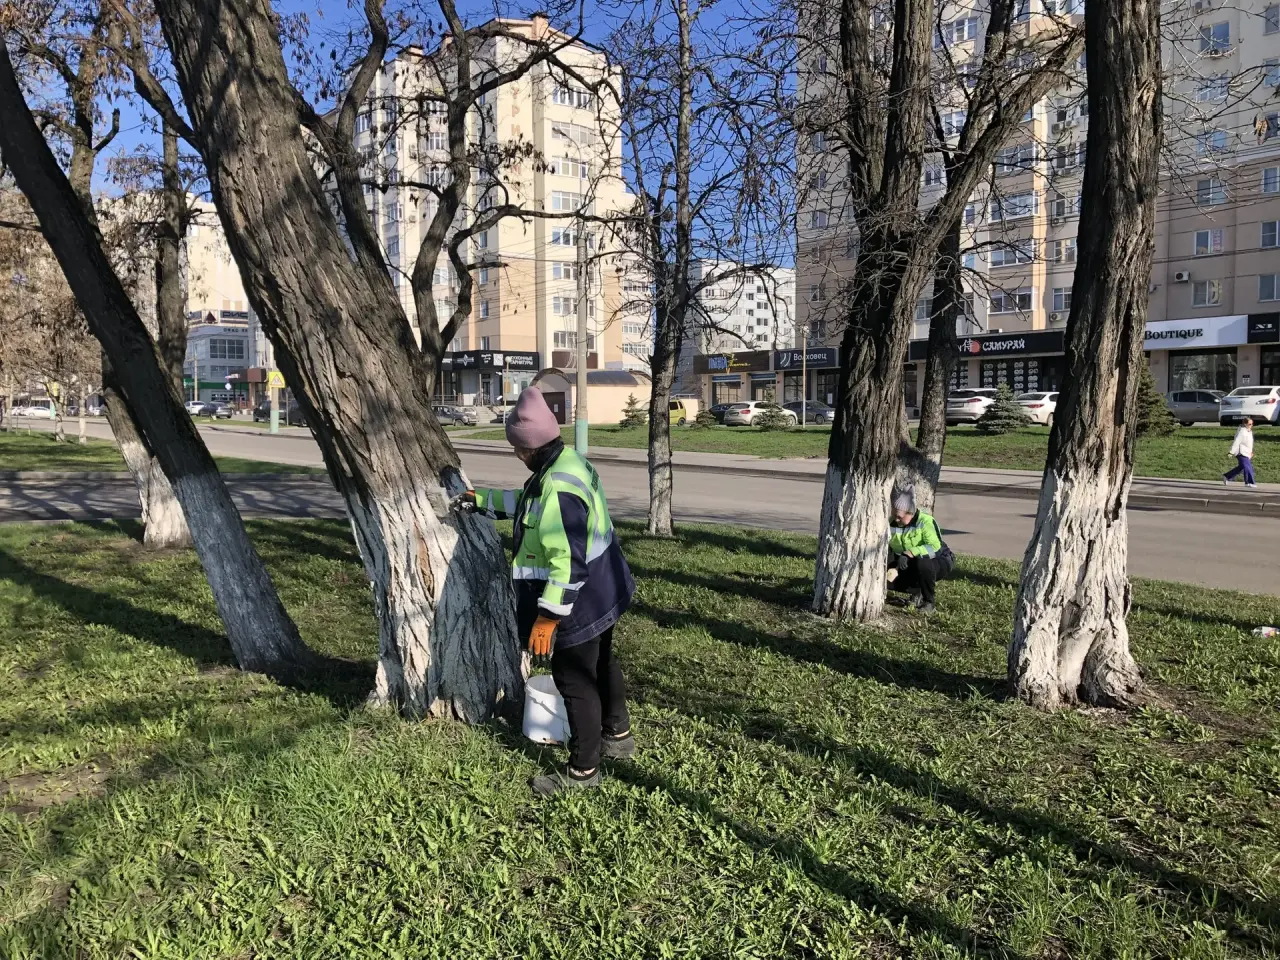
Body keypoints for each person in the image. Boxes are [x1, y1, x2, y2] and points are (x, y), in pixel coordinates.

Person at [462, 387, 635, 796]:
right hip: (605, 586)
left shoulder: (557, 487)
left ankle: (584, 771)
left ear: (528, 448)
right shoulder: (567, 462)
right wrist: (482, 500)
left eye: (516, 449)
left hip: (579, 597)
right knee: (602, 664)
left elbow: (567, 562)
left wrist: (548, 616)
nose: (516, 456)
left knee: (573, 679)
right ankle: (619, 735)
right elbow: (529, 504)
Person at [886, 488, 954, 614]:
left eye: (899, 517)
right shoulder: (892, 522)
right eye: (894, 515)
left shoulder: (926, 521)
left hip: (938, 561)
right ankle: (916, 592)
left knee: (923, 564)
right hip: (907, 561)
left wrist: (910, 553)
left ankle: (929, 602)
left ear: (910, 513)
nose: (896, 519)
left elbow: (935, 547)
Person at [1224, 417, 1257, 488]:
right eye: (1250, 424)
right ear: (1245, 424)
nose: (1251, 425)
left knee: (1241, 467)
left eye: (1252, 424)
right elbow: (1236, 442)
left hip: (1246, 453)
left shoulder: (1249, 431)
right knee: (1247, 467)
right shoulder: (1242, 432)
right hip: (1240, 452)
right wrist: (1231, 452)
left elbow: (1249, 444)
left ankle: (1227, 476)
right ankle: (1248, 482)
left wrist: (1250, 452)